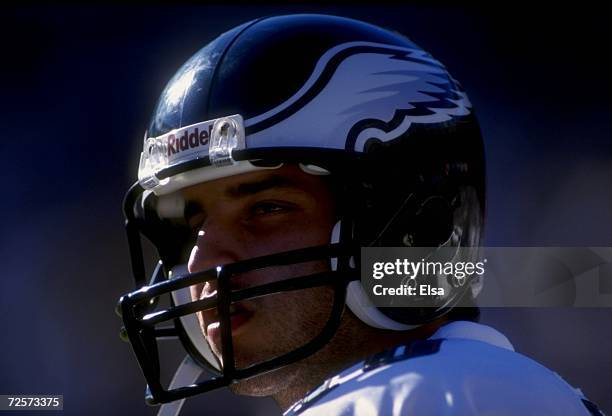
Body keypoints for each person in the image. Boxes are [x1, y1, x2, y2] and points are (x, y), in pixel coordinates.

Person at [118, 14, 603, 415]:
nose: (202, 264)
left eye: (266, 208)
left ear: (412, 226)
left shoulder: (417, 396)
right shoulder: (480, 387)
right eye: (190, 224)